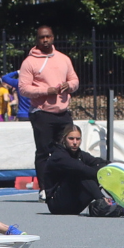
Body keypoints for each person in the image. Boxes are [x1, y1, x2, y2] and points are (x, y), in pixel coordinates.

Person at [20, 24, 79, 174]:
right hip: (42, 113)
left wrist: (69, 85)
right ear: (37, 39)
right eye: (41, 37)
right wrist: (46, 91)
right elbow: (23, 88)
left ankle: (66, 186)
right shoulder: (29, 62)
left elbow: (75, 80)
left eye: (48, 37)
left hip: (63, 113)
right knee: (44, 152)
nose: (45, 40)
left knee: (69, 150)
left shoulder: (64, 59)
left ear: (53, 38)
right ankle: (45, 188)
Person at [39, 125, 124, 217]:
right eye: (71, 139)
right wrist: (102, 173)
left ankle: (119, 202)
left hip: (75, 205)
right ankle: (104, 202)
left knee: (103, 169)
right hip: (57, 205)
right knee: (81, 172)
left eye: (78, 139)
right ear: (64, 139)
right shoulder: (59, 156)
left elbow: (99, 162)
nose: (75, 142)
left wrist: (116, 168)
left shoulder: (80, 154)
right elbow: (82, 169)